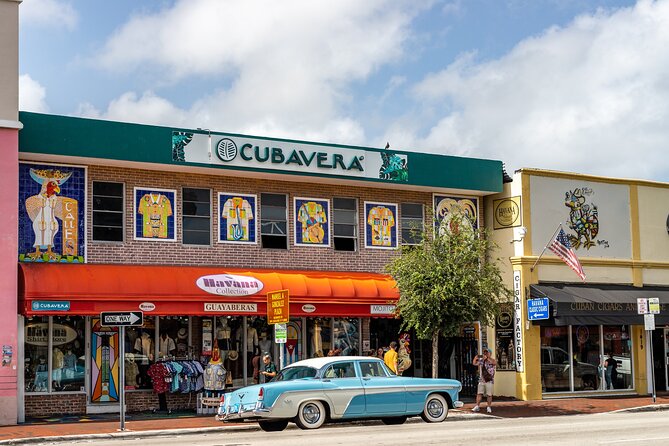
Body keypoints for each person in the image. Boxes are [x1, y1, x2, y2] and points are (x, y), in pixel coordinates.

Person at [472, 348, 497, 413]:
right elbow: (474, 363)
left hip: (489, 380)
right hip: (482, 380)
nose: (485, 353)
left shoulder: (492, 360)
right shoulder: (482, 361)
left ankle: (488, 407)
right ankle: (477, 406)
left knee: (489, 394)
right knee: (479, 393)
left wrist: (487, 358)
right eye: (485, 352)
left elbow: (494, 363)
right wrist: (476, 357)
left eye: (487, 352)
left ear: (490, 354)